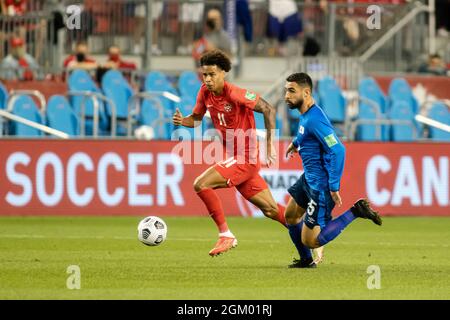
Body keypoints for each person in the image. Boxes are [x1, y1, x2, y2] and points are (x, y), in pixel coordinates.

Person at [172, 50, 286, 256]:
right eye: (204, 74)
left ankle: (226, 235)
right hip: (236, 158)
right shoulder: (205, 93)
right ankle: (311, 236)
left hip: (247, 157)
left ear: (223, 73)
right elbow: (196, 119)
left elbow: (269, 109)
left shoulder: (235, 93)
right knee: (272, 210)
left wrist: (270, 145)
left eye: (212, 74)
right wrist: (183, 121)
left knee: (201, 183)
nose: (207, 79)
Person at [283, 72, 382, 268]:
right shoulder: (306, 115)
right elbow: (306, 132)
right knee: (291, 216)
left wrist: (333, 186)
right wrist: (295, 143)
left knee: (311, 240)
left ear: (307, 92)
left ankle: (356, 211)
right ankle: (306, 260)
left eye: (291, 91)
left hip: (319, 185)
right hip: (308, 178)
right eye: (286, 91)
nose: (286, 95)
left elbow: (338, 149)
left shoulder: (314, 119)